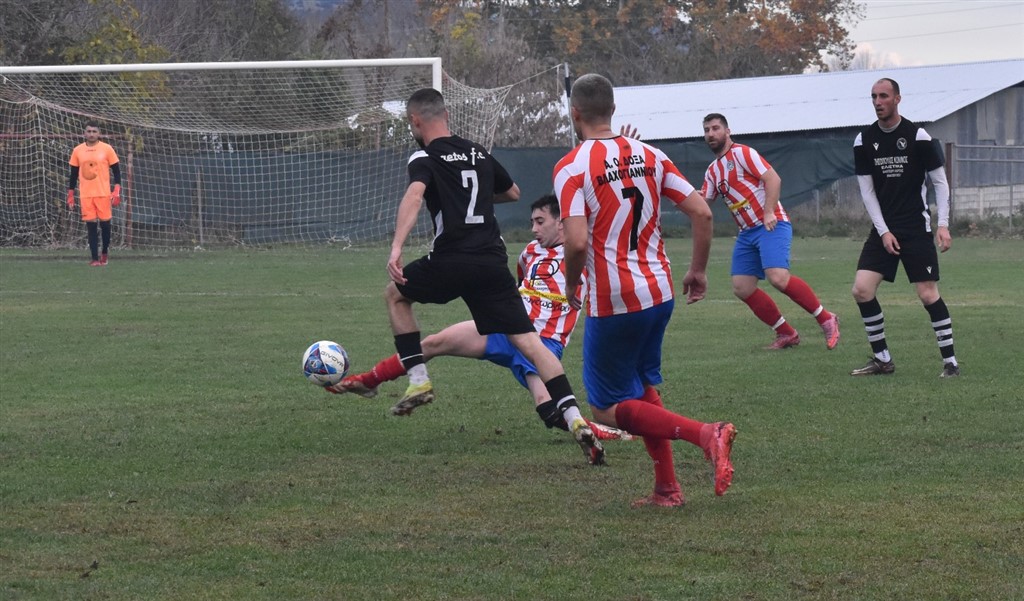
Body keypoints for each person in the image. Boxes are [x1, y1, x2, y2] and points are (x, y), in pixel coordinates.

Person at [368, 87, 605, 464]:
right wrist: (472, 198)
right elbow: (513, 192)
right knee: (531, 344)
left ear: (415, 121)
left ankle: (419, 380)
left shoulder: (425, 156)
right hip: (492, 261)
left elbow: (414, 196)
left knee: (395, 295)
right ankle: (575, 417)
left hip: (452, 258)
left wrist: (397, 246)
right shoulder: (478, 152)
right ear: (446, 115)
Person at [329, 195, 633, 459]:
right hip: (505, 329)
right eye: (532, 222)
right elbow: (515, 287)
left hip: (542, 344)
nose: (534, 229)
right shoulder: (529, 252)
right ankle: (369, 380)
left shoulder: (584, 254)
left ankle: (605, 432)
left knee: (549, 410)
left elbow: (609, 236)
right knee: (434, 343)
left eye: (540, 222)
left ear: (562, 223)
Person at [554, 73, 736, 507]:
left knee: (605, 408)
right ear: (614, 109)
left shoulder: (572, 167)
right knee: (640, 388)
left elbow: (576, 242)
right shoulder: (652, 155)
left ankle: (706, 434)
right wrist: (698, 271)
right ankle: (667, 489)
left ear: (574, 113)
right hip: (659, 292)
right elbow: (702, 213)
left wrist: (573, 282)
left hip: (614, 299)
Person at [701, 113, 840, 350]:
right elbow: (703, 201)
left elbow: (773, 179)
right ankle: (786, 333)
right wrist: (675, 193)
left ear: (727, 131)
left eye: (715, 128)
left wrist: (768, 212)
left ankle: (827, 319)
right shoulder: (712, 171)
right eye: (707, 130)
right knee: (742, 287)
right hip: (747, 233)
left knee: (778, 277)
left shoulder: (743, 153)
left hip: (770, 225)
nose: (711, 134)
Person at [851, 78, 960, 378]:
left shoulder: (918, 136)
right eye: (874, 96)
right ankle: (882, 360)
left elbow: (940, 183)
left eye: (884, 96)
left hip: (915, 228)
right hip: (884, 229)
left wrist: (943, 224)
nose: (878, 102)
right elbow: (867, 192)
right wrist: (883, 231)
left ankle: (950, 363)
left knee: (927, 294)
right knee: (861, 290)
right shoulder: (863, 140)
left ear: (897, 99)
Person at [68, 121, 121, 266]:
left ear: (99, 133)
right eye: (89, 131)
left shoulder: (107, 149)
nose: (91, 134)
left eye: (94, 131)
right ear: (84, 133)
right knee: (91, 227)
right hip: (86, 195)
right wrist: (71, 193)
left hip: (103, 194)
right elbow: (73, 174)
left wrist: (116, 189)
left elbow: (116, 171)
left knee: (105, 226)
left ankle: (104, 253)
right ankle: (94, 259)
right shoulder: (77, 150)